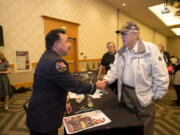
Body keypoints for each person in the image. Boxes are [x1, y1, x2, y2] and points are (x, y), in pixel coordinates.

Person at [26, 29, 105, 135]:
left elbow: (56, 84)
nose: (70, 45)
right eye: (67, 41)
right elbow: (74, 85)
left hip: (40, 113)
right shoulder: (56, 62)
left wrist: (65, 102)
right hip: (44, 119)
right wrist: (95, 86)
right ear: (57, 45)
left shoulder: (48, 56)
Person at [101, 21, 169, 135]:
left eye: (124, 34)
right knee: (130, 122)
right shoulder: (121, 51)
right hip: (125, 92)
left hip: (144, 94)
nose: (122, 37)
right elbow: (115, 70)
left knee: (145, 123)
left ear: (135, 34)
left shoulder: (150, 49)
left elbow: (161, 75)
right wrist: (106, 80)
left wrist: (154, 96)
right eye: (121, 34)